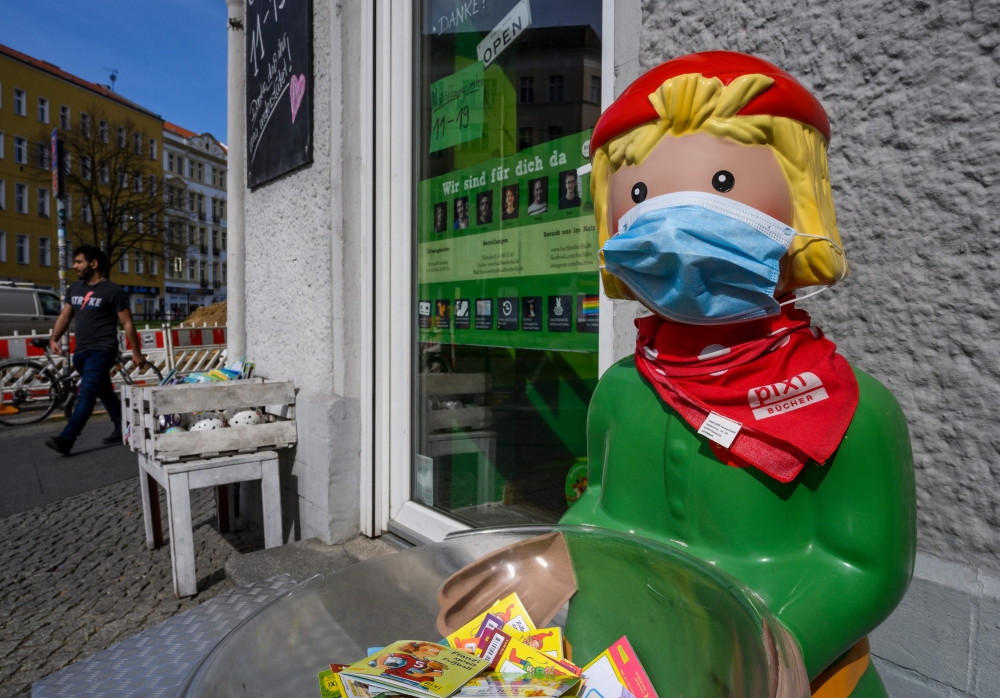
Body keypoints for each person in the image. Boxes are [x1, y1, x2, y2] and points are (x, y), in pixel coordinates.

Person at [45, 245, 146, 455]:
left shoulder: (113, 291)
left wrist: (136, 352)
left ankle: (67, 438)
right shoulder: (75, 289)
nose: (75, 266)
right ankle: (123, 427)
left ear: (94, 264)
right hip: (81, 353)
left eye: (79, 262)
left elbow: (127, 323)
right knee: (104, 392)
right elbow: (65, 316)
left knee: (87, 395)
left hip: (102, 350)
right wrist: (53, 338)